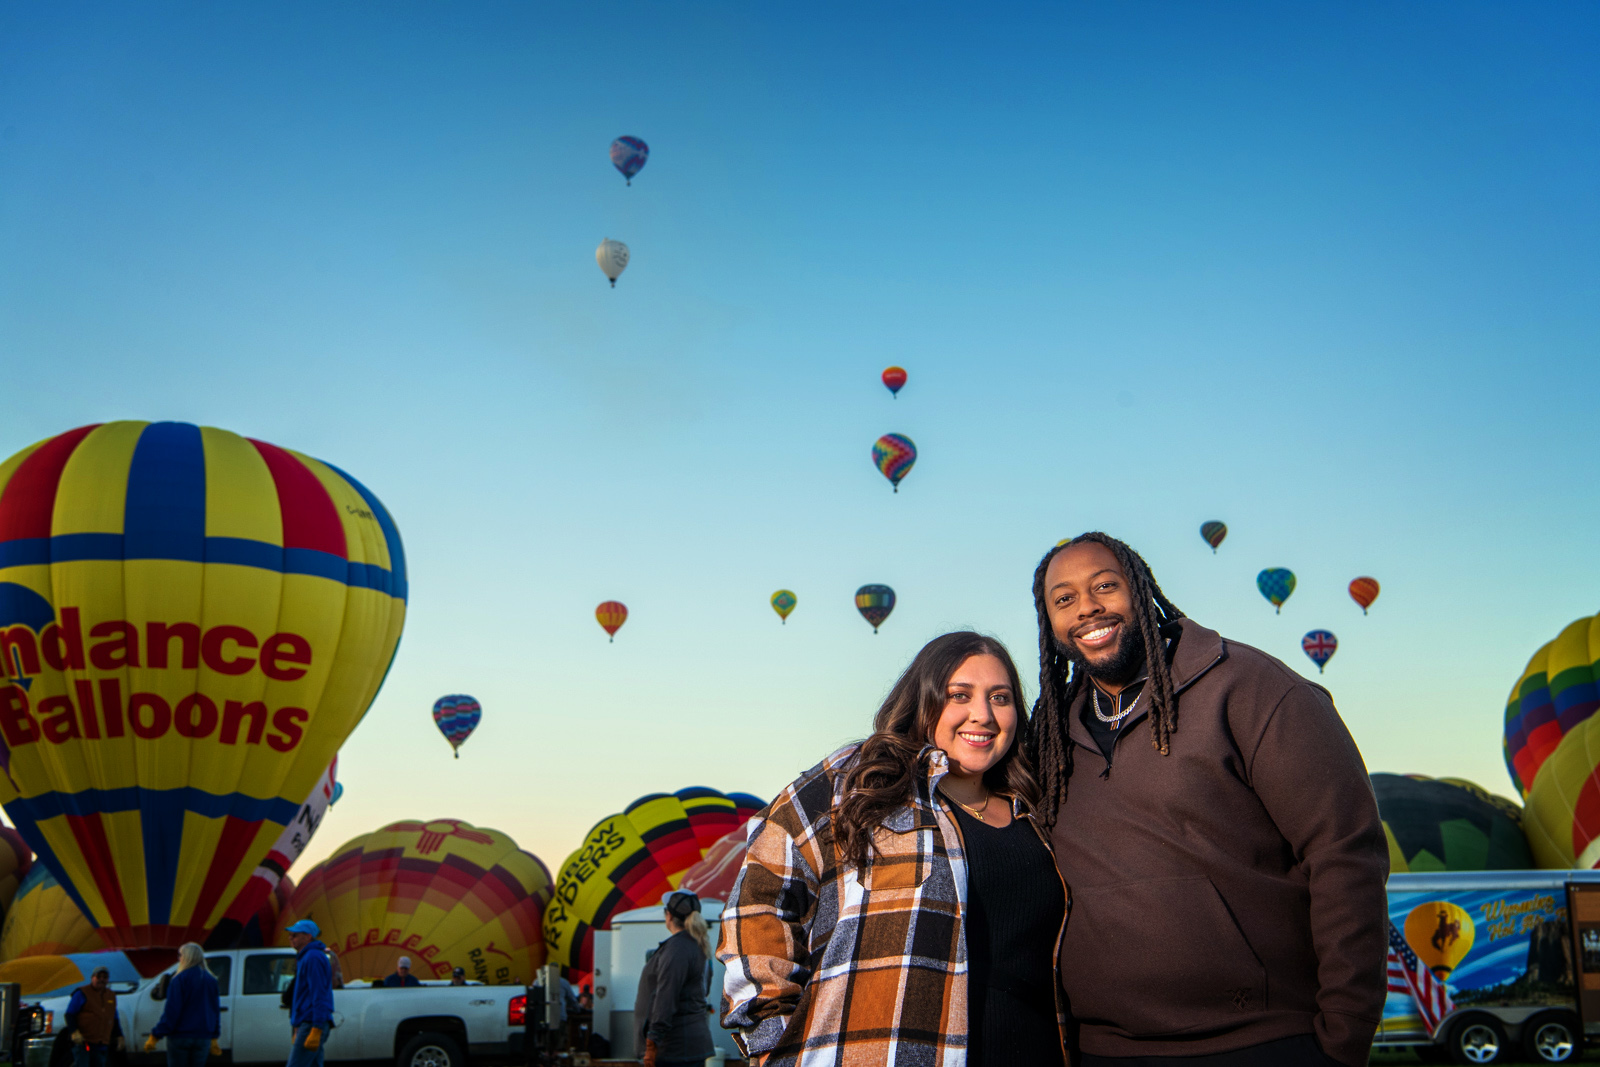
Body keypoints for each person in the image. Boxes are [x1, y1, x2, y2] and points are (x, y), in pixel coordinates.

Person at [1029, 533, 1389, 1067]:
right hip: (1103, 1051)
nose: (1088, 607)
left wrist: (1343, 1037)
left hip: (1260, 1042)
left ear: (1142, 589)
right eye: (1064, 599)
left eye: (1106, 585)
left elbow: (1345, 855)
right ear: (1049, 622)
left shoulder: (1250, 687)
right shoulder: (1049, 732)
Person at [719, 631, 1067, 1066]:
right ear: (923, 700)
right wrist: (770, 1042)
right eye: (959, 695)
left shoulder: (1036, 814)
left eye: (1000, 698)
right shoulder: (857, 782)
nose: (982, 714)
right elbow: (759, 902)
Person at [634, 891, 715, 1067]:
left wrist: (652, 1043)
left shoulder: (677, 949)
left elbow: (665, 998)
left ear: (668, 915)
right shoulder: (697, 945)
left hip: (675, 1050)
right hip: (687, 1048)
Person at [145, 943, 220, 1067]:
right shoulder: (211, 980)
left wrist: (156, 1035)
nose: (178, 958)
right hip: (203, 1037)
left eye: (180, 955)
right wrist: (214, 1036)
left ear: (187, 957)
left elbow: (172, 1012)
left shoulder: (179, 979)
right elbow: (215, 1010)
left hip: (180, 1036)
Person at [284, 919, 334, 1067]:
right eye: (290, 935)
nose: (290, 938)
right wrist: (297, 1026)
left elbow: (318, 994)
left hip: (312, 1022)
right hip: (308, 1022)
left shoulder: (312, 957)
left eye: (294, 935)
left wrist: (316, 1028)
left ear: (307, 937)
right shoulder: (307, 956)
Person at [64, 966, 122, 1067]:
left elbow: (114, 1018)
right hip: (84, 1042)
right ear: (92, 978)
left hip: (101, 1043)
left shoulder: (111, 996)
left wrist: (120, 1036)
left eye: (105, 977)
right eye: (98, 976)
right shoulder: (82, 993)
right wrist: (74, 1032)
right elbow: (70, 1014)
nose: (101, 979)